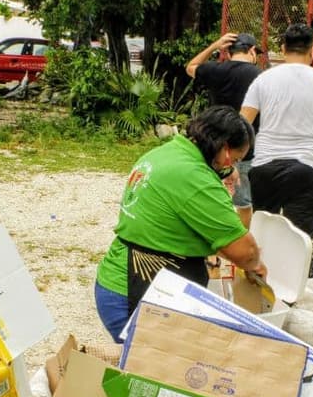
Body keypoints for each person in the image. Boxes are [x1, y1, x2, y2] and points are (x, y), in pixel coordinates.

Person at [94, 105, 266, 342]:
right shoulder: (193, 176)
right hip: (136, 290)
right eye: (234, 160)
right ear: (225, 150)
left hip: (117, 277)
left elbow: (177, 223)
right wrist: (255, 264)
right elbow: (244, 252)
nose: (230, 167)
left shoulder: (167, 153)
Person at [239, 23, 313, 238]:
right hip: (306, 168)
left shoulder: (263, 79)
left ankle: (258, 271)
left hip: (265, 168)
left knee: (262, 236)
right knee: (299, 242)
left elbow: (242, 124)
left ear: (283, 49)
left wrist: (235, 163)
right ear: (312, 51)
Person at [185, 31, 263, 227]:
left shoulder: (215, 70)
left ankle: (211, 255)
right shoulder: (259, 76)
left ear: (228, 52)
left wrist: (214, 46)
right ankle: (236, 250)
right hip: (244, 147)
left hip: (214, 144)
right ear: (252, 51)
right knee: (244, 204)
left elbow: (190, 67)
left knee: (213, 199)